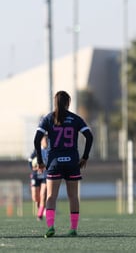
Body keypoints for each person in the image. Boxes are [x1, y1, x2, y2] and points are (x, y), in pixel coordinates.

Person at [34, 90, 93, 238]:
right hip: (72, 161)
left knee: (51, 196)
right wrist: (85, 157)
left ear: (55, 102)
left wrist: (40, 161)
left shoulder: (48, 119)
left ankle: (50, 227)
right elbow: (89, 136)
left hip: (54, 162)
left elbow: (37, 139)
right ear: (68, 103)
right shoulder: (75, 119)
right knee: (73, 196)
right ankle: (73, 229)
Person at [28, 135, 48, 221]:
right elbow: (29, 160)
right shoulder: (37, 150)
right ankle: (41, 206)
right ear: (41, 141)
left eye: (47, 140)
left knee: (43, 194)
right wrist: (33, 169)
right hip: (36, 176)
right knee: (35, 197)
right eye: (45, 140)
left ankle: (40, 214)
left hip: (45, 175)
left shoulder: (50, 151)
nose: (46, 141)